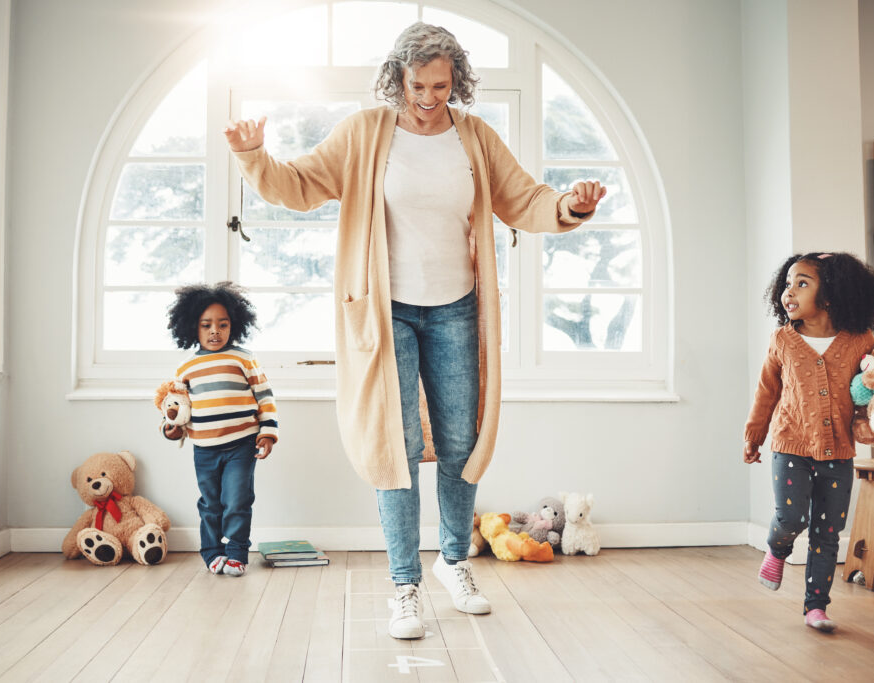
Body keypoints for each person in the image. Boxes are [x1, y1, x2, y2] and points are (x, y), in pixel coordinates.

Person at [224, 22, 605, 639]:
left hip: (457, 308)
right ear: (397, 77)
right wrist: (252, 156)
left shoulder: (474, 137)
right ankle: (405, 584)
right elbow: (296, 187)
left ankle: (455, 563)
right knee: (395, 451)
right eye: (418, 84)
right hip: (384, 311)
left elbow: (525, 199)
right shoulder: (364, 133)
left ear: (458, 80)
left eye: (442, 84)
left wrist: (572, 206)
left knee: (461, 444)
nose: (429, 97)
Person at [744, 252, 874, 632]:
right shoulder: (784, 340)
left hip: (839, 451)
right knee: (792, 518)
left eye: (802, 283)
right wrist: (753, 436)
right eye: (787, 284)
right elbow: (766, 392)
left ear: (831, 296)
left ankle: (815, 607)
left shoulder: (861, 340)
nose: (789, 292)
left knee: (827, 534)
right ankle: (776, 549)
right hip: (791, 446)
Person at [162, 282, 279, 577]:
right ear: (192, 327)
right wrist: (171, 428)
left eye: (222, 324)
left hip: (242, 444)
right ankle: (212, 551)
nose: (215, 331)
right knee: (211, 503)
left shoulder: (244, 358)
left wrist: (267, 432)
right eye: (206, 325)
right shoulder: (185, 368)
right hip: (204, 448)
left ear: (234, 325)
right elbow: (176, 409)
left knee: (238, 500)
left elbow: (265, 398)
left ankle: (237, 552)